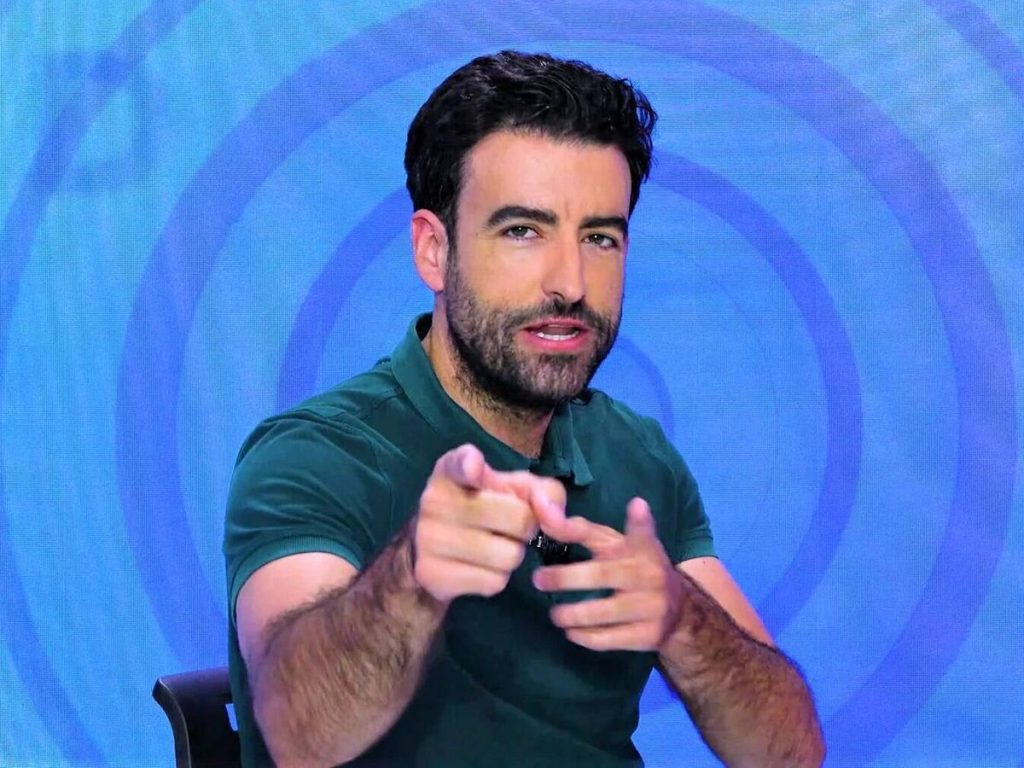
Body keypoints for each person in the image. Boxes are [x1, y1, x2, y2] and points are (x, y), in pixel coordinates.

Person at [224, 50, 825, 767]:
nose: (570, 283)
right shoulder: (317, 456)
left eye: (599, 238)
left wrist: (684, 621)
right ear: (433, 251)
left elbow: (790, 753)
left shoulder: (637, 457)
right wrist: (413, 577)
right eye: (522, 231)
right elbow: (297, 734)